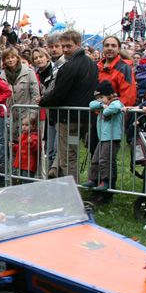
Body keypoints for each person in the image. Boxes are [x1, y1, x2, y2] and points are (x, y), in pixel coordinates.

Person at [38, 30, 99, 182]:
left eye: (68, 46)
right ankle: (67, 184)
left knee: (68, 157)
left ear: (78, 45)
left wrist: (43, 101)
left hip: (70, 118)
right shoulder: (91, 63)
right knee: (69, 155)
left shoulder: (70, 66)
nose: (65, 49)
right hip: (83, 116)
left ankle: (72, 189)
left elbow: (59, 93)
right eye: (63, 46)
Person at [82, 81, 125, 191]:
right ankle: (94, 179)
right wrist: (101, 105)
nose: (99, 100)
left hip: (112, 138)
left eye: (102, 97)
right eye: (98, 97)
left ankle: (106, 180)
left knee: (105, 159)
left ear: (110, 96)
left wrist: (105, 111)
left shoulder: (116, 103)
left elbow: (115, 108)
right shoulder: (102, 105)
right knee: (96, 158)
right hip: (102, 138)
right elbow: (92, 104)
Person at [12, 113, 40, 180]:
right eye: (23, 125)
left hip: (29, 165)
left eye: (27, 125)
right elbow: (20, 148)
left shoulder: (35, 137)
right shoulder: (23, 136)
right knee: (22, 180)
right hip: (22, 163)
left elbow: (37, 149)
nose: (24, 127)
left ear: (33, 126)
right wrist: (14, 146)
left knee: (26, 180)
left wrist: (32, 143)